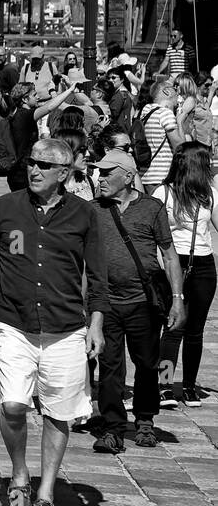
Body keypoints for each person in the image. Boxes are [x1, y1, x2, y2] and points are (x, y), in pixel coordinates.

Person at [0, 138, 106, 506]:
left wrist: (96, 324)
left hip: (66, 329)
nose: (34, 170)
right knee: (14, 405)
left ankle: (46, 491)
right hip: (15, 323)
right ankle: (18, 474)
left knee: (57, 413)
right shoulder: (6, 206)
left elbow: (98, 276)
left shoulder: (84, 214)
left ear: (63, 173)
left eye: (44, 165)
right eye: (32, 162)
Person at [90, 148, 185, 453]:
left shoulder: (152, 208)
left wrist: (177, 299)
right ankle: (113, 427)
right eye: (99, 172)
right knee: (110, 366)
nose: (100, 178)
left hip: (144, 302)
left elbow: (169, 256)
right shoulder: (92, 209)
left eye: (107, 173)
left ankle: (145, 421)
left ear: (128, 177)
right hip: (106, 303)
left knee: (146, 364)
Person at [153, 142, 217, 408]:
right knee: (173, 326)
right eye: (207, 161)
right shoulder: (163, 193)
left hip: (203, 265)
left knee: (196, 330)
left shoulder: (209, 194)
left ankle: (189, 386)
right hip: (173, 263)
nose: (211, 166)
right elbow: (152, 232)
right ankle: (165, 385)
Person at [141, 79, 183, 192]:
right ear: (167, 92)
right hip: (163, 176)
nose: (178, 95)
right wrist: (180, 120)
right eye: (175, 90)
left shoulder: (146, 111)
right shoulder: (165, 113)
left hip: (146, 175)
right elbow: (179, 147)